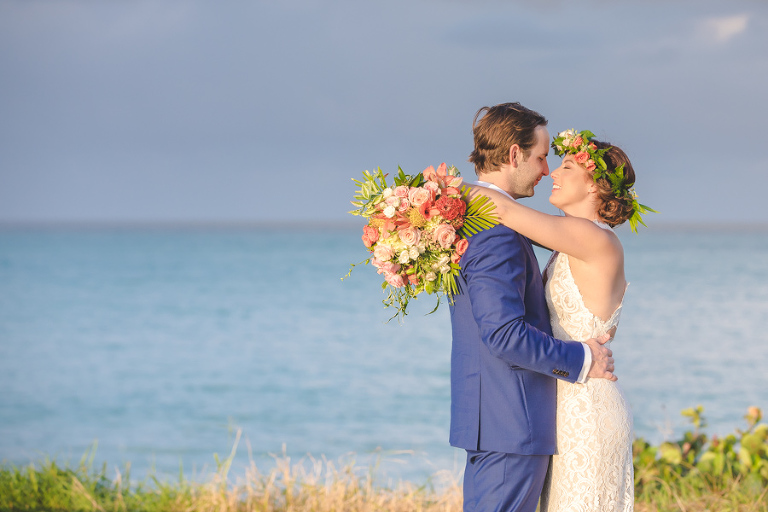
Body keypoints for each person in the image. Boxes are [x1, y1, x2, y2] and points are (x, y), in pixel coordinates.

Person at [465, 127, 648, 512]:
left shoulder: (595, 239)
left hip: (585, 407)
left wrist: (439, 197)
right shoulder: (569, 239)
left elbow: (507, 211)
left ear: (596, 187)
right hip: (563, 399)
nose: (552, 174)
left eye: (565, 166)